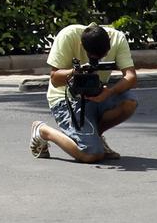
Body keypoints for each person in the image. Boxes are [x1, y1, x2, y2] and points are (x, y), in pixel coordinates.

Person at [30, 21, 137, 163]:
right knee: (91, 155)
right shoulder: (68, 35)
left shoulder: (118, 37)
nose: (96, 60)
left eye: (102, 56)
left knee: (129, 101)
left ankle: (94, 138)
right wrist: (75, 71)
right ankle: (43, 131)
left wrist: (109, 92)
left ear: (110, 42)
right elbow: (55, 79)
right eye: (92, 56)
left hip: (98, 95)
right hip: (67, 98)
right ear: (81, 44)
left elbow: (131, 77)